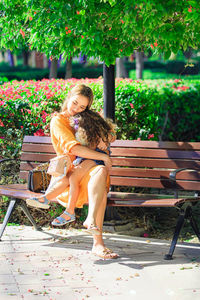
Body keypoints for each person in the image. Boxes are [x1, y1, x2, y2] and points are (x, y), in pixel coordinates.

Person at [26, 84, 119, 259]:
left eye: (82, 107)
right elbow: (74, 148)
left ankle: (96, 240)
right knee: (96, 174)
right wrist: (105, 157)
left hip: (90, 169)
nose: (76, 109)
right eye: (75, 103)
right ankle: (96, 240)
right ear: (69, 97)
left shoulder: (88, 117)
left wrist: (105, 140)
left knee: (100, 173)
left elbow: (110, 132)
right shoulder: (59, 120)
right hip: (70, 175)